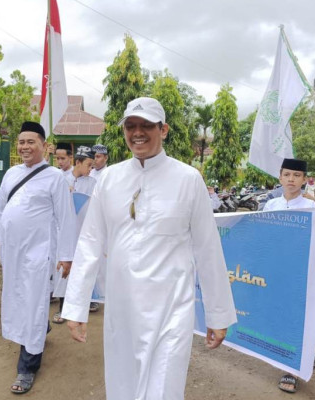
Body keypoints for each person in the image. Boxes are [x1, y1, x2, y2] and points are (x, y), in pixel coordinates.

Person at [62, 97, 237, 400]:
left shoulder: (188, 179)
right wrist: (76, 306)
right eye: (131, 126)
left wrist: (218, 314)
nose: (137, 133)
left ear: (163, 129)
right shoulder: (111, 178)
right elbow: (91, 242)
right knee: (123, 386)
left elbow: (208, 248)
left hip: (171, 307)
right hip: (122, 306)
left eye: (146, 126)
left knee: (164, 389)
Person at [0, 121, 76, 394]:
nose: (24, 147)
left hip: (39, 254)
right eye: (21, 142)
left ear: (44, 146)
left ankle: (27, 367)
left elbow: (66, 218)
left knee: (34, 303)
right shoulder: (11, 173)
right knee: (18, 299)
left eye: (30, 142)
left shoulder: (55, 178)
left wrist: (66, 255)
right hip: (12, 254)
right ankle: (39, 329)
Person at [263, 158, 315, 393]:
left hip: (302, 275)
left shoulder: (312, 209)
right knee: (279, 318)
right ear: (280, 177)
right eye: (287, 174)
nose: (291, 179)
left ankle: (292, 370)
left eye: (296, 175)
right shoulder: (271, 206)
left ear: (304, 180)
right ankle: (303, 354)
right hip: (276, 273)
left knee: (298, 319)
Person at [52, 146, 97, 323]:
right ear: (78, 162)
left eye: (92, 166)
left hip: (84, 233)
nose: (90, 169)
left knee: (81, 271)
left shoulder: (93, 183)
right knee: (63, 271)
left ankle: (78, 308)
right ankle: (62, 309)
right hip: (63, 234)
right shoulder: (61, 180)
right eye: (88, 165)